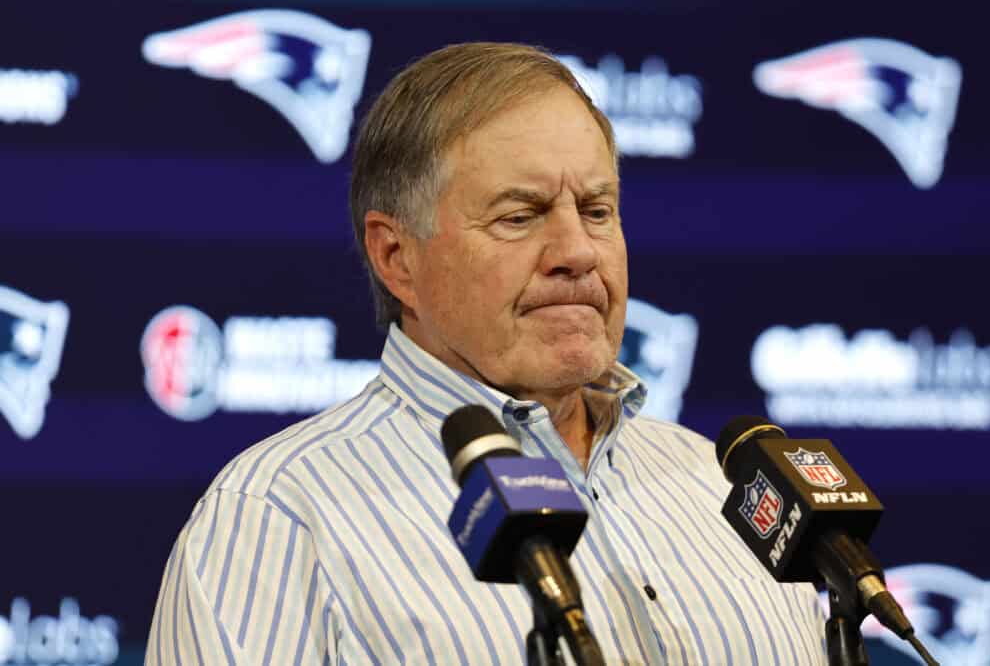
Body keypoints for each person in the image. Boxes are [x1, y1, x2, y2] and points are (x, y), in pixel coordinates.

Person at [146, 42, 827, 665]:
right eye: (519, 216)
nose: (577, 253)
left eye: (596, 210)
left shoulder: (724, 490)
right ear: (396, 257)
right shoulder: (278, 516)